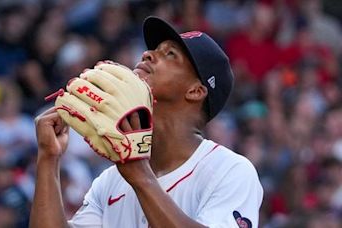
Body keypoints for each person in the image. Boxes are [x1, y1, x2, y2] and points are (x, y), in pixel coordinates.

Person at [30, 16, 263, 228]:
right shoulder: (111, 180)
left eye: (170, 54)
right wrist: (48, 158)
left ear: (195, 90)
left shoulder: (230, 170)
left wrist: (139, 174)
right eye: (153, 49)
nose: (147, 54)